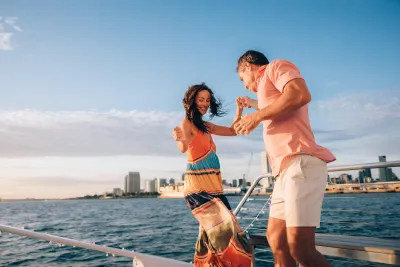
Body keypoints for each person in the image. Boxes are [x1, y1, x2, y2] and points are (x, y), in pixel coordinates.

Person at [234, 50, 336, 267]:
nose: (244, 85)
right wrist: (251, 104)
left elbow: (299, 94)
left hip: (301, 162)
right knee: (277, 239)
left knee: (300, 247)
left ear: (248, 67)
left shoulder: (275, 66)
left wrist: (256, 115)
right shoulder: (264, 89)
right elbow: (273, 104)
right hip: (284, 171)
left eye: (243, 79)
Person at [172, 83, 252, 267]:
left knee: (209, 242)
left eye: (207, 100)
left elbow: (233, 131)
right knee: (231, 236)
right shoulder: (187, 124)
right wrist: (180, 139)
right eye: (201, 99)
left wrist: (239, 109)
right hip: (199, 192)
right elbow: (183, 147)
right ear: (191, 101)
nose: (205, 103)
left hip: (215, 190)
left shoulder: (206, 126)